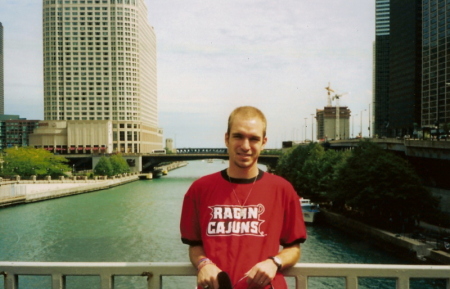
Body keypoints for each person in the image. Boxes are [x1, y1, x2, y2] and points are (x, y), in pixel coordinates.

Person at [180, 106, 307, 289]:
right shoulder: (199, 189)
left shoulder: (283, 189)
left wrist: (274, 262)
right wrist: (203, 264)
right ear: (227, 138)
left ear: (263, 142)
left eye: (253, 139)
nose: (245, 146)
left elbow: (294, 249)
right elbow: (194, 246)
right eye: (238, 136)